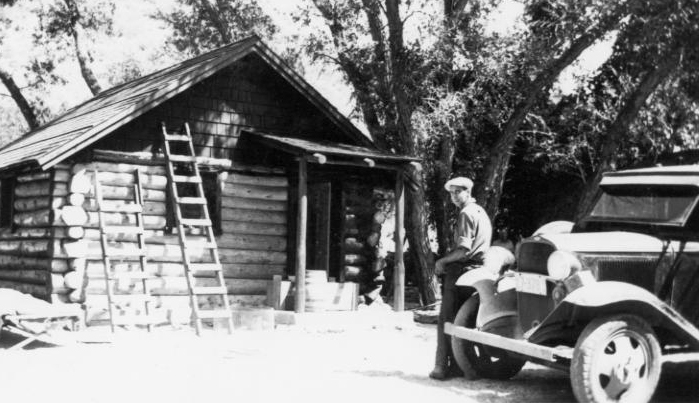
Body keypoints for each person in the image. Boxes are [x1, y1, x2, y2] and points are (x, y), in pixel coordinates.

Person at [429, 177, 492, 380]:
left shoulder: (466, 213)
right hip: (477, 272)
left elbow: (463, 251)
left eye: (458, 192)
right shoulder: (481, 212)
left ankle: (440, 367)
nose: (454, 196)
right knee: (462, 322)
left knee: (445, 320)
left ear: (468, 192)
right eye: (451, 192)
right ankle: (458, 366)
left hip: (461, 271)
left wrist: (442, 262)